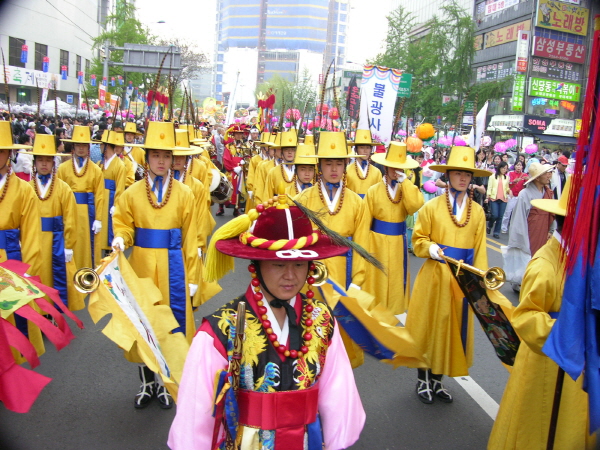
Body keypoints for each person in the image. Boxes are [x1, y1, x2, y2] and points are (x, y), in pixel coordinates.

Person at [168, 197, 365, 450]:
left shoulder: (322, 318)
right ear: (257, 264)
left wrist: (335, 441)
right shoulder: (220, 329)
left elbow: (338, 393)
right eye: (279, 264)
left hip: (308, 440)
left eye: (299, 264)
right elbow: (196, 415)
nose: (291, 276)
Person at [488, 177, 597, 449]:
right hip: (548, 363)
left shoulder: (584, 260)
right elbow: (525, 317)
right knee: (540, 428)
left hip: (580, 359)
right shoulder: (545, 264)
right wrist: (567, 332)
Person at [111, 121, 198, 409]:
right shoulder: (132, 193)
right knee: (144, 324)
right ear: (147, 158)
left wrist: (193, 277)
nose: (161, 162)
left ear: (173, 159)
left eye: (167, 156)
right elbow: (124, 223)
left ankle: (166, 383)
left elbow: (191, 238)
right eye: (156, 155)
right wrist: (122, 239)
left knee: (170, 325)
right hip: (142, 269)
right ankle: (147, 382)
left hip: (174, 269)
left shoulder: (185, 194)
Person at [406, 146, 492, 404]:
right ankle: (422, 378)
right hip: (435, 277)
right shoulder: (432, 207)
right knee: (429, 327)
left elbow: (480, 249)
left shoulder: (477, 213)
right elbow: (418, 238)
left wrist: (481, 280)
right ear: (449, 175)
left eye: (467, 174)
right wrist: (429, 247)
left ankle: (438, 380)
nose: (462, 178)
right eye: (457, 173)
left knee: (453, 328)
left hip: (462, 279)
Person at [356, 142, 424, 315]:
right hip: (376, 242)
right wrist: (362, 250)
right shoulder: (373, 191)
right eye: (392, 167)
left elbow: (415, 206)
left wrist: (406, 182)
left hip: (398, 243)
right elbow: (364, 224)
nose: (396, 171)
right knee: (377, 279)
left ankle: (395, 314)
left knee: (395, 279)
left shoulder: (405, 190)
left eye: (399, 168)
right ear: (386, 167)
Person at [294, 131, 366, 291]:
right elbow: (296, 243)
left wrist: (357, 280)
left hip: (344, 272)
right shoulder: (303, 199)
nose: (334, 169)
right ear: (319, 165)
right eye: (328, 163)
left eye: (339, 164)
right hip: (312, 270)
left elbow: (361, 242)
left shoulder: (357, 202)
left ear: (345, 165)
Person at [24, 134, 84, 311]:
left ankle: (52, 311)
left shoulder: (63, 188)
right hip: (33, 240)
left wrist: (69, 245)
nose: (44, 164)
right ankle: (38, 311)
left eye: (48, 160)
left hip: (55, 241)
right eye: (40, 160)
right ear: (34, 162)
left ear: (53, 162)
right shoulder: (27, 188)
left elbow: (70, 218)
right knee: (35, 276)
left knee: (53, 276)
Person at [58, 125, 104, 268]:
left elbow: (100, 195)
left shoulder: (96, 170)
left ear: (89, 146)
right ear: (73, 145)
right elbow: (58, 193)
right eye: (78, 144)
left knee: (85, 244)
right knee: (69, 241)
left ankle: (86, 274)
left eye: (84, 144)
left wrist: (99, 218)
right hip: (68, 211)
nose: (81, 148)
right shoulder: (63, 168)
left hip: (86, 214)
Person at [504, 162, 555, 292]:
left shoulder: (548, 192)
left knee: (541, 258)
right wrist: (521, 238)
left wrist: (551, 230)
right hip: (530, 231)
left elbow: (552, 212)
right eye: (545, 173)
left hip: (543, 231)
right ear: (537, 177)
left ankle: (533, 283)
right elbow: (519, 219)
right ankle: (521, 283)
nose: (549, 176)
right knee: (528, 256)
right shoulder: (525, 194)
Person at [97, 130, 127, 255]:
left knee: (109, 231)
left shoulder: (120, 165)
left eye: (101, 145)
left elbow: (120, 187)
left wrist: (116, 204)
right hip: (100, 200)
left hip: (110, 201)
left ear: (106, 146)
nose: (99, 147)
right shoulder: (100, 164)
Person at [345, 129, 383, 198]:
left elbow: (379, 196)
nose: (365, 151)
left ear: (371, 149)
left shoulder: (377, 172)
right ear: (356, 149)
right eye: (362, 147)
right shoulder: (347, 170)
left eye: (368, 148)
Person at [264, 130, 298, 198]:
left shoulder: (301, 171)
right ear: (281, 152)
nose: (289, 152)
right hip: (278, 206)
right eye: (286, 150)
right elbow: (267, 195)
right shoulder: (273, 172)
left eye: (292, 150)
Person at [501, 160, 528, 234]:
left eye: (520, 165)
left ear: (522, 166)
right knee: (508, 212)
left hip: (520, 197)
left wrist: (527, 180)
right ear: (515, 166)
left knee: (517, 214)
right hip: (511, 195)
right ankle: (504, 227)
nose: (519, 167)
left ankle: (515, 229)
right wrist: (514, 181)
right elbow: (508, 183)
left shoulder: (524, 175)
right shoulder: (511, 173)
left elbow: (527, 184)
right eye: (517, 165)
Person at [486, 161, 510, 238]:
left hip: (503, 199)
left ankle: (496, 232)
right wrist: (487, 197)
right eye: (503, 168)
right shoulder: (492, 177)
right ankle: (490, 225)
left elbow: (506, 188)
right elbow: (489, 187)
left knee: (500, 216)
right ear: (500, 168)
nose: (504, 170)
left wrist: (509, 191)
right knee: (494, 215)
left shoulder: (506, 178)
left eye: (506, 169)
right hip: (494, 198)